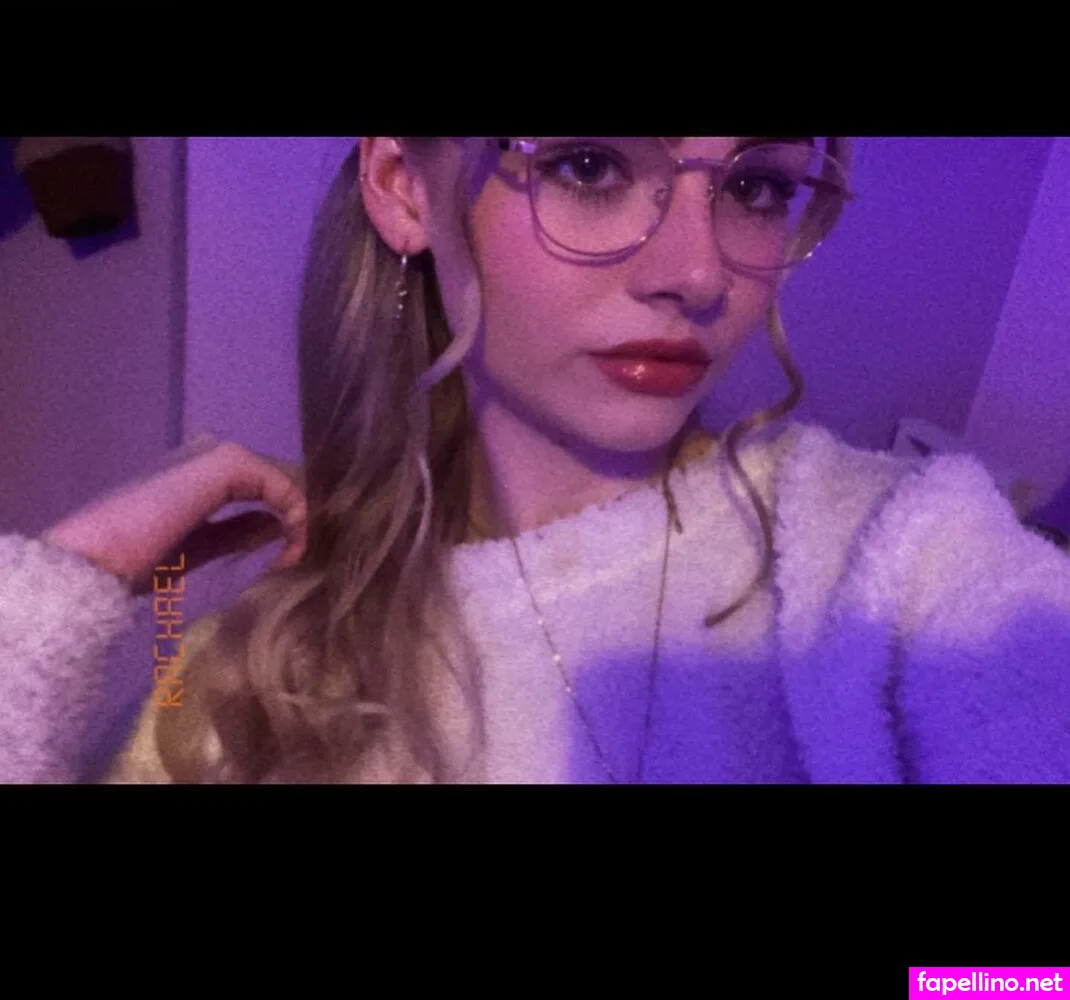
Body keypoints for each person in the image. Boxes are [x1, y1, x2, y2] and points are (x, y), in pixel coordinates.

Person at [2, 136, 1068, 784]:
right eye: (589, 163)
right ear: (403, 187)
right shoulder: (248, 683)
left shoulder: (906, 564)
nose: (698, 272)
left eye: (753, 184)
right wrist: (55, 593)